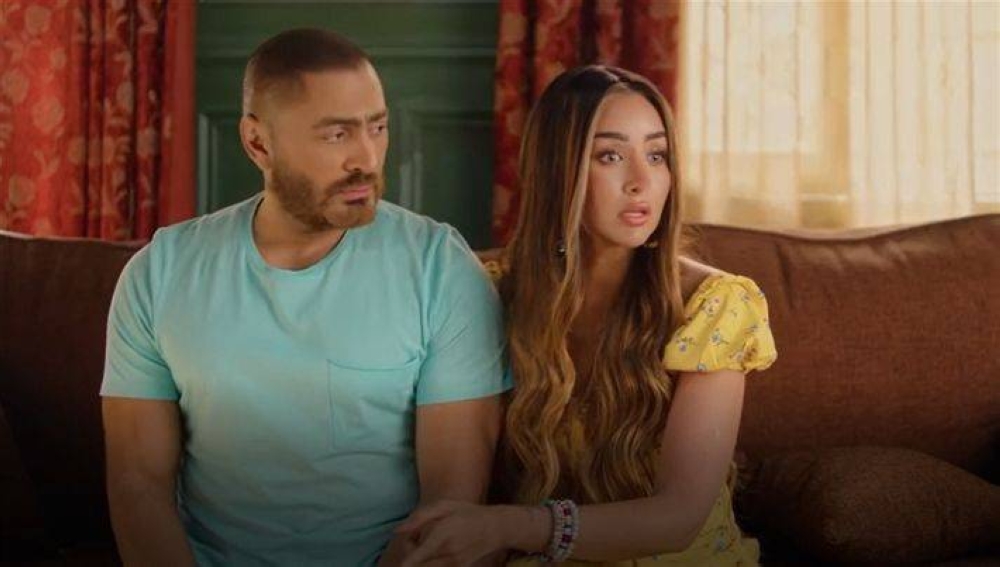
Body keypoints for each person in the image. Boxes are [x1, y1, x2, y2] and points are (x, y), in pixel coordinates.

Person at [100, 28, 509, 567]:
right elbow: (138, 486)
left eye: (378, 127)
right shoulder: (158, 274)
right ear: (258, 143)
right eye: (336, 135)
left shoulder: (442, 269)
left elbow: (449, 506)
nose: (366, 158)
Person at [396, 65, 777, 566]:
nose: (641, 181)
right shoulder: (488, 294)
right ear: (558, 171)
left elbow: (680, 517)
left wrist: (512, 526)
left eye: (657, 155)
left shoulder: (715, 303)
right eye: (610, 156)